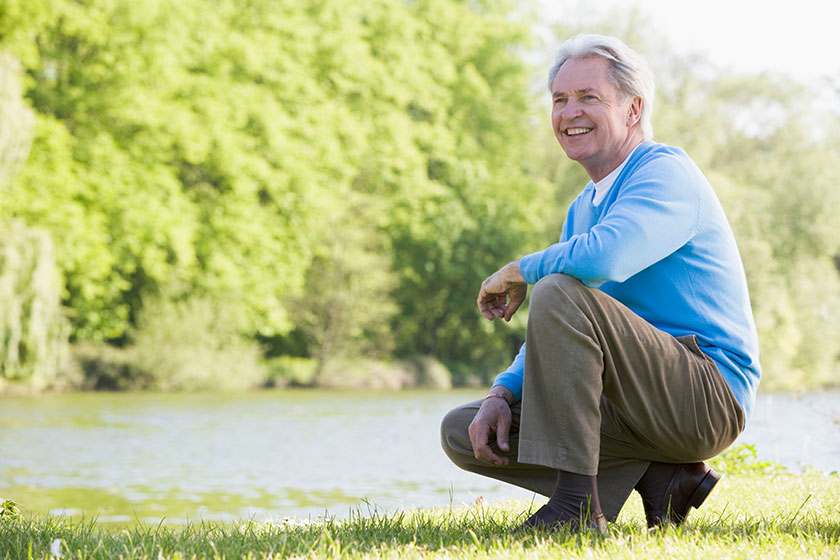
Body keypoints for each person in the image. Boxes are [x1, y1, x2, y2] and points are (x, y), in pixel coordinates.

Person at [440, 33, 761, 533]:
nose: (570, 112)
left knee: (556, 289)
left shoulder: (664, 172)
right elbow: (559, 326)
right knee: (467, 429)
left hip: (707, 394)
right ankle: (663, 476)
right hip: (635, 404)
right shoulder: (583, 207)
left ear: (633, 109)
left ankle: (577, 508)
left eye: (589, 97)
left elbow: (605, 259)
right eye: (560, 100)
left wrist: (519, 269)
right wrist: (501, 393)